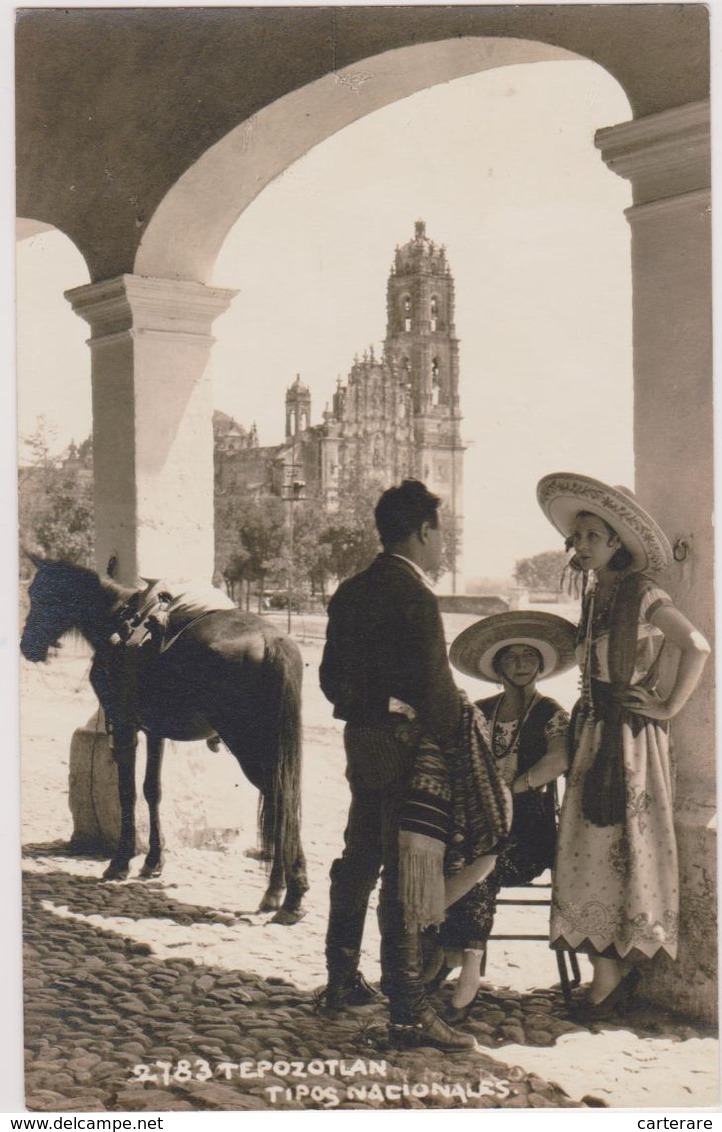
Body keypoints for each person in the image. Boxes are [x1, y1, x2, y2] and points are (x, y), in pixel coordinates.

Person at [536, 473, 710, 1018]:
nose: (579, 546)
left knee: (624, 847)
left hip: (631, 742)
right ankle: (605, 973)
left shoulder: (643, 594)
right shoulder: (597, 596)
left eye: (591, 536)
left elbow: (696, 645)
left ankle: (616, 976)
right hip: (594, 732)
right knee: (587, 849)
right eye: (576, 537)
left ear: (616, 542)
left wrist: (667, 707)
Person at [318, 479, 480, 1052]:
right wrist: (460, 745)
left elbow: (330, 683)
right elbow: (436, 690)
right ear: (423, 532)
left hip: (362, 744)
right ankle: (409, 1013)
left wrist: (375, 706)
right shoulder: (415, 595)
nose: (445, 544)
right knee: (406, 872)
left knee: (360, 856)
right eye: (442, 533)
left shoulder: (350, 590)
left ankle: (340, 977)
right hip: (408, 750)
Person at [433, 612, 575, 1022]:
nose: (519, 664)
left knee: (483, 869)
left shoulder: (550, 712)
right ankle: (446, 953)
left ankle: (467, 970)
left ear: (540, 665)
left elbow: (559, 758)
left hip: (528, 838)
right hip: (473, 828)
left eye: (527, 656)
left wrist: (511, 787)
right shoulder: (479, 710)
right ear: (498, 667)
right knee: (447, 858)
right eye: (510, 658)